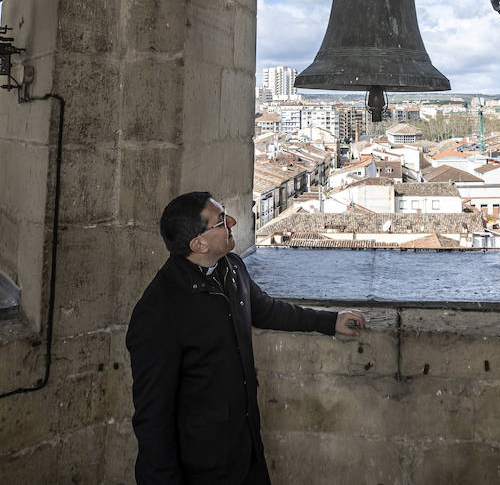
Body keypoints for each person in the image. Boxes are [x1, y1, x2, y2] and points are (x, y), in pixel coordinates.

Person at [127, 191, 367, 484]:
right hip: (202, 467)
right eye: (220, 221)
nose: (232, 220)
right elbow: (152, 417)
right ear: (198, 243)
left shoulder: (231, 268)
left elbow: (267, 310)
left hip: (247, 451)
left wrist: (330, 321)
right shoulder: (159, 312)